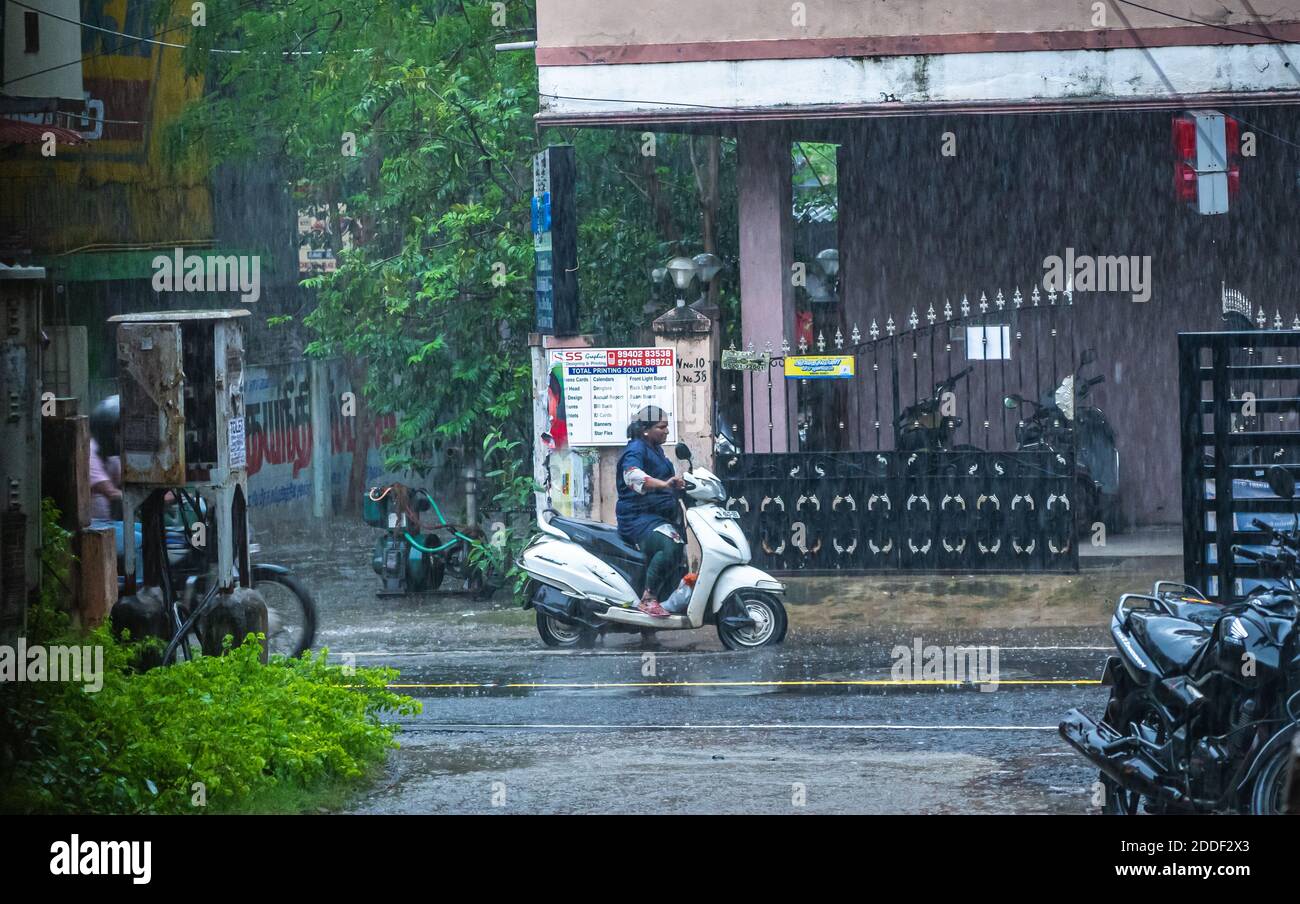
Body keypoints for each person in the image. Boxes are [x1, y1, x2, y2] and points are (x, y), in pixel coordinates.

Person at [616, 406, 685, 618]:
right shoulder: (636, 449)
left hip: (655, 517)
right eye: (661, 427)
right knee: (671, 544)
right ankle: (648, 598)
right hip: (637, 518)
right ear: (646, 430)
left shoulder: (656, 449)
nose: (666, 431)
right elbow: (632, 475)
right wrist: (664, 485)